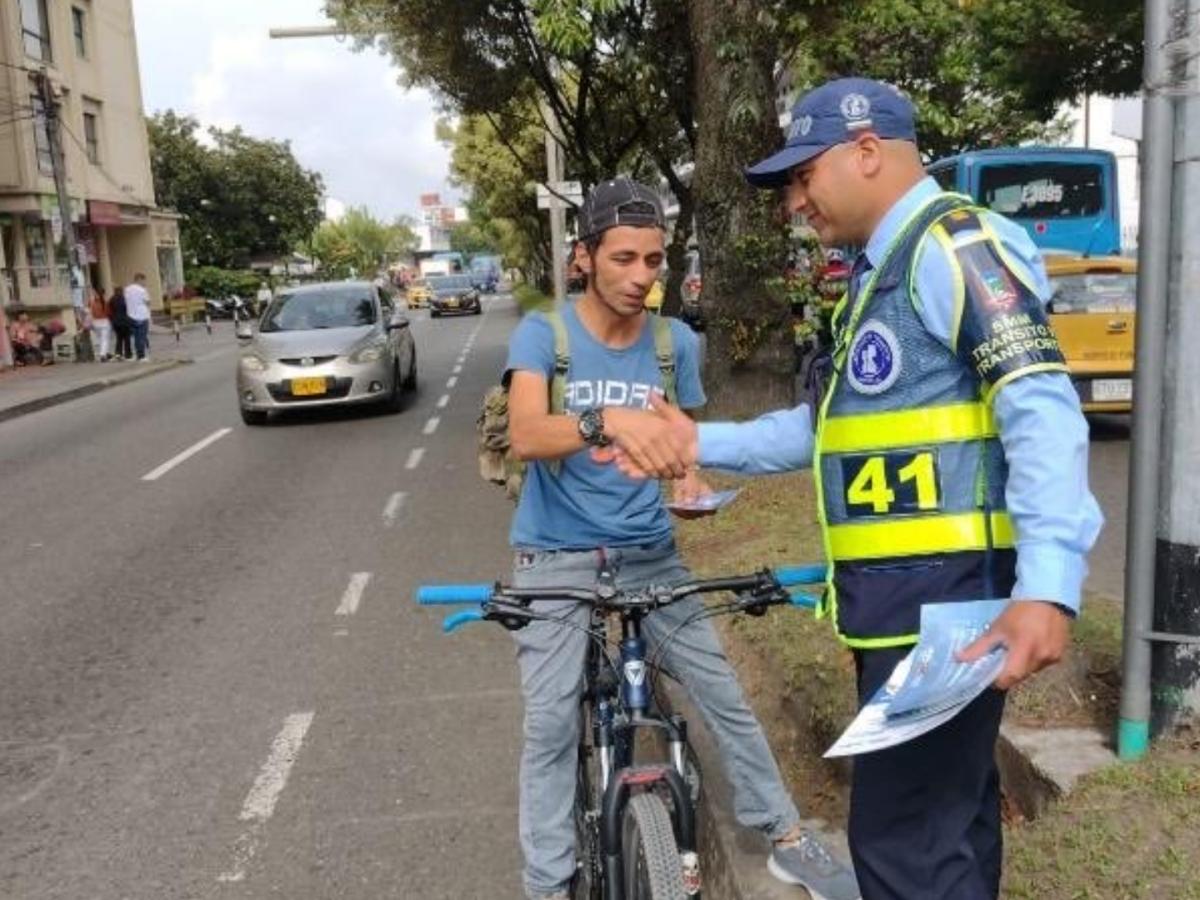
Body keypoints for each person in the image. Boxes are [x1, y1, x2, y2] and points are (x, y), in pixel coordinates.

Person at [601, 78, 1103, 900]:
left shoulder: (954, 249)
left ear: (868, 152)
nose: (794, 202)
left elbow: (1040, 410)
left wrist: (1049, 586)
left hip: (948, 612)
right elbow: (825, 429)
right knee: (942, 835)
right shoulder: (882, 274)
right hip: (908, 612)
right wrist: (697, 440)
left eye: (805, 177)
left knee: (907, 850)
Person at [503, 176, 860, 900]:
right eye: (624, 259)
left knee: (721, 694)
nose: (642, 278)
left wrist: (688, 485)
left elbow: (682, 440)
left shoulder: (676, 343)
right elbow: (526, 434)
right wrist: (605, 422)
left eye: (654, 261)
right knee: (548, 721)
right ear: (584, 259)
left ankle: (787, 835)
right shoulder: (546, 332)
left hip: (649, 553)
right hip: (554, 556)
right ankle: (547, 884)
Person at [123, 273, 152, 362]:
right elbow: (148, 302)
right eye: (144, 281)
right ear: (139, 279)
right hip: (142, 316)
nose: (144, 283)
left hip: (130, 315)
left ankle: (137, 354)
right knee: (141, 336)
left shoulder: (127, 289)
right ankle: (141, 356)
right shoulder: (142, 290)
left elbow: (126, 300)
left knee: (135, 337)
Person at [88, 287, 113, 362]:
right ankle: (103, 355)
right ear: (104, 293)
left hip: (95, 322)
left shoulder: (92, 302)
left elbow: (89, 310)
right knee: (105, 339)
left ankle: (105, 353)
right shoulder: (105, 302)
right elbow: (108, 312)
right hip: (104, 321)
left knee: (100, 339)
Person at [108, 286, 132, 361]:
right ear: (121, 291)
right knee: (127, 338)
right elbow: (129, 310)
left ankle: (118, 353)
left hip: (116, 322)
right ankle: (128, 354)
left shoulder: (112, 299)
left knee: (119, 338)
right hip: (125, 321)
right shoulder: (125, 299)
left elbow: (109, 310)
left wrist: (112, 319)